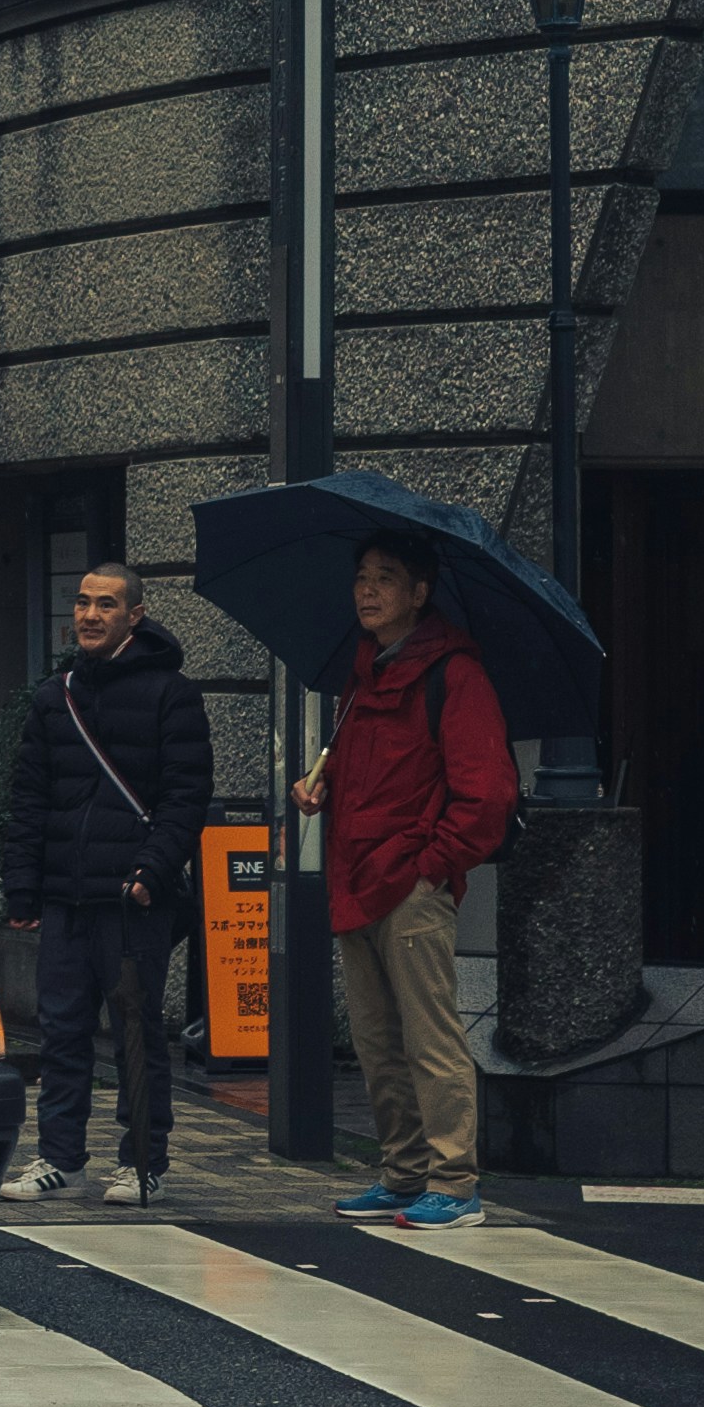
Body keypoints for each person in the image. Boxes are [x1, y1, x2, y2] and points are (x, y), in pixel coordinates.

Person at [297, 523, 518, 1227]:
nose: (367, 589)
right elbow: (367, 777)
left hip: (411, 886)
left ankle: (454, 1182)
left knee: (429, 1037)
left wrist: (431, 867)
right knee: (376, 1039)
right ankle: (402, 1171)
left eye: (386, 577)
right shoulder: (363, 677)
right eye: (362, 575)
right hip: (356, 881)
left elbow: (488, 796)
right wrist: (319, 789)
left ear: (420, 593)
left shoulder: (455, 674)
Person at [0, 562, 214, 1202]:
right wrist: (21, 886)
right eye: (84, 603)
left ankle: (143, 1161)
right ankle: (59, 1159)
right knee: (61, 1030)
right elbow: (29, 798)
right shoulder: (54, 694)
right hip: (65, 895)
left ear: (135, 616)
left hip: (131, 900)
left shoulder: (171, 694)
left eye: (107, 605)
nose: (90, 616)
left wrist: (153, 867)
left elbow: (186, 796)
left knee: (136, 1032)